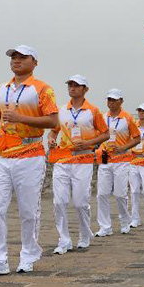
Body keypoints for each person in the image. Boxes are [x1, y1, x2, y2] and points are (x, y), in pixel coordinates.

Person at [0, 45, 58, 278]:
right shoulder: (1, 89)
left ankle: (28, 255)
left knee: (28, 211)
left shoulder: (43, 90)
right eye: (14, 57)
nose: (17, 60)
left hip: (29, 155)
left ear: (35, 62)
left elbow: (53, 122)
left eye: (23, 57)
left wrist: (21, 117)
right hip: (1, 156)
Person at [48, 75, 109, 253]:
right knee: (59, 201)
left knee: (81, 201)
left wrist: (90, 143)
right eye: (70, 85)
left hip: (83, 158)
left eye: (77, 85)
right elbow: (53, 132)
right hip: (63, 158)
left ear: (85, 90)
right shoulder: (61, 110)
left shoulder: (93, 111)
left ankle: (84, 235)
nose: (73, 88)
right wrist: (51, 140)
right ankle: (64, 240)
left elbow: (105, 134)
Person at [94, 89, 140, 236]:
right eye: (109, 100)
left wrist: (124, 147)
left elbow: (137, 138)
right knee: (101, 194)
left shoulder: (127, 118)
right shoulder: (102, 117)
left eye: (114, 100)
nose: (111, 103)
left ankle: (125, 221)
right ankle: (105, 226)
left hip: (122, 160)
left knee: (120, 194)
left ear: (121, 101)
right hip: (105, 158)